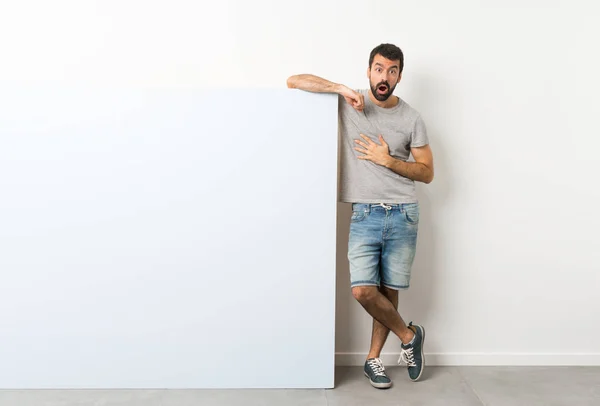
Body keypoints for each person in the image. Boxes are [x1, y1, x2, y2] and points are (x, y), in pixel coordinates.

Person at [286, 43, 434, 387]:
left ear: (400, 75)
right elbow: (294, 81)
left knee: (389, 289)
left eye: (393, 70)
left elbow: (427, 173)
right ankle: (410, 335)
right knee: (364, 291)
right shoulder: (351, 103)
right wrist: (339, 88)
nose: (385, 77)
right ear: (368, 71)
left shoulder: (411, 117)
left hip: (403, 213)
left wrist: (388, 160)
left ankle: (373, 360)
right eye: (379, 69)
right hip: (365, 213)